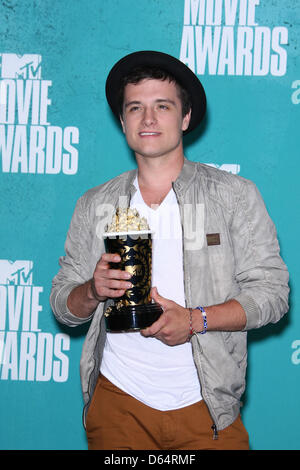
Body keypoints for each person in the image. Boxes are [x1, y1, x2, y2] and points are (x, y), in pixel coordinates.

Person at [50, 50, 289, 450]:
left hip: (208, 405)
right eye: (135, 108)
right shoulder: (94, 204)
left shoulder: (234, 196)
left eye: (162, 106)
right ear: (123, 121)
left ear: (185, 118)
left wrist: (196, 320)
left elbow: (273, 295)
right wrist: (92, 290)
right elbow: (62, 306)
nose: (148, 119)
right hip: (117, 406)